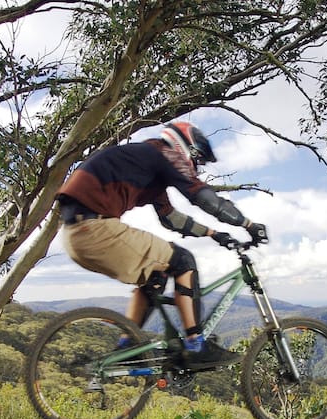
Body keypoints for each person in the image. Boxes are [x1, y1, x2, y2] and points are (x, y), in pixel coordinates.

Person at [55, 121, 269, 369]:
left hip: (75, 234)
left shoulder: (148, 161)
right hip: (95, 229)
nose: (196, 167)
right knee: (183, 261)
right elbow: (203, 197)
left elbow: (171, 218)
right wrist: (248, 224)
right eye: (197, 160)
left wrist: (213, 234)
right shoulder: (165, 153)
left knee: (155, 275)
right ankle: (195, 346)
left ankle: (127, 347)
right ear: (186, 146)